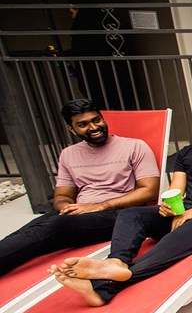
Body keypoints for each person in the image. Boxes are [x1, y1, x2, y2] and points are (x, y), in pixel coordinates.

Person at [51, 96, 192, 306]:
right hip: (184, 212)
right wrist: (170, 205)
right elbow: (177, 187)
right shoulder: (187, 153)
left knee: (168, 245)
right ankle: (117, 261)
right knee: (130, 214)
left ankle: (102, 288)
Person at [0, 99, 160, 276]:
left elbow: (148, 190)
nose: (93, 127)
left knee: (54, 226)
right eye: (83, 124)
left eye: (96, 120)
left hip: (118, 215)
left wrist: (99, 206)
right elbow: (62, 195)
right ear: (72, 129)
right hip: (80, 214)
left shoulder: (135, 146)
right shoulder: (69, 154)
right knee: (34, 228)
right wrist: (65, 207)